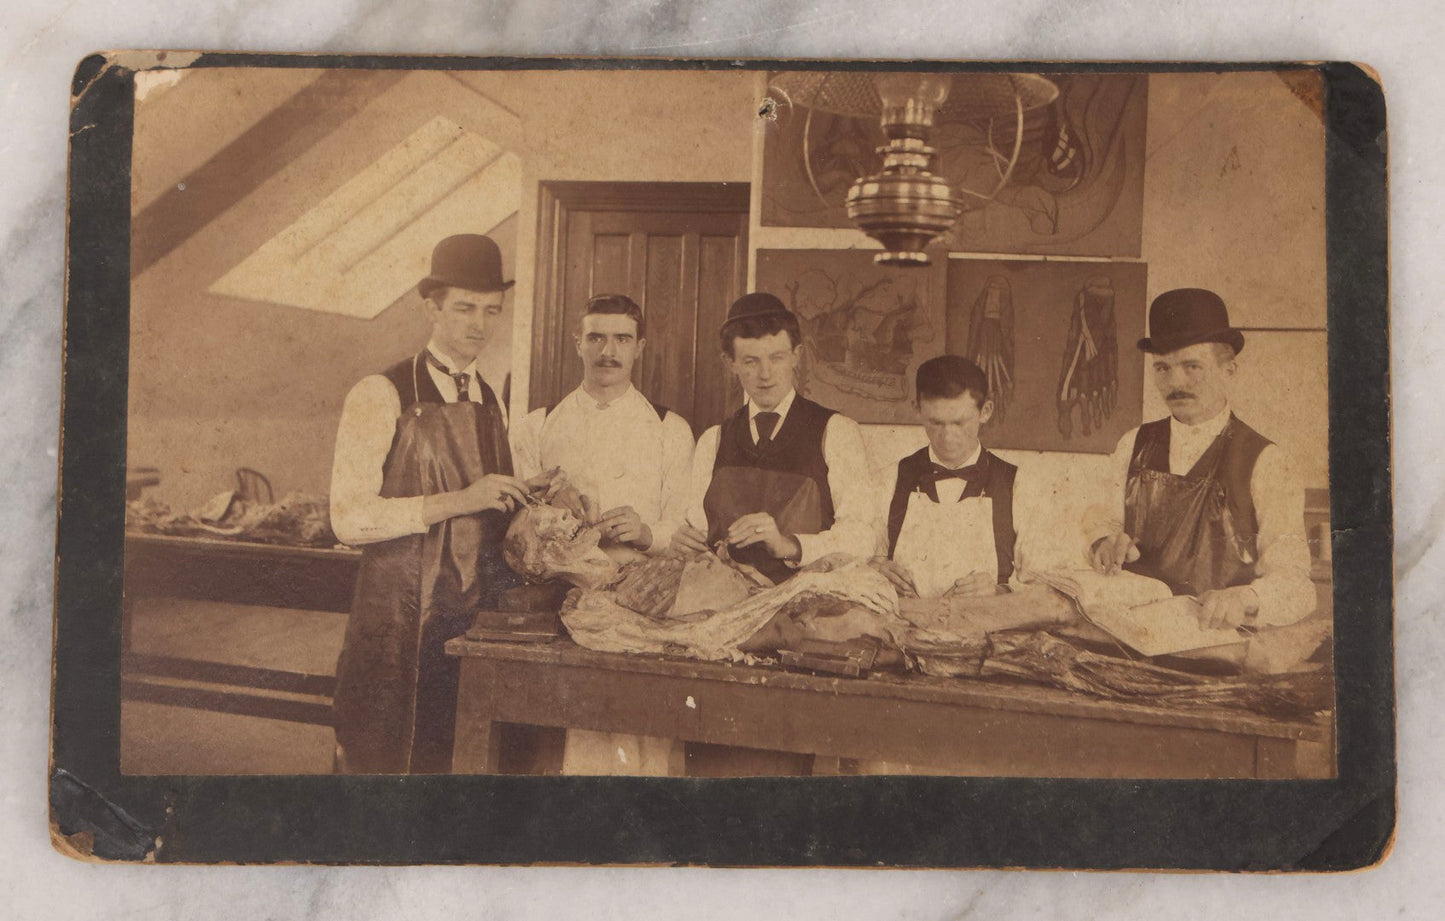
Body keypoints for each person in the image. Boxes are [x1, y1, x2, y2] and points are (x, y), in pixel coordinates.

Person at [328, 234, 556, 774]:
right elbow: (348, 518)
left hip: (474, 617)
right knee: (386, 763)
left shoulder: (490, 399)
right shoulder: (379, 393)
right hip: (399, 618)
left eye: (491, 310)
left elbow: (493, 508)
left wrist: (533, 497)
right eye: (464, 308)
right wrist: (462, 499)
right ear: (431, 307)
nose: (479, 324)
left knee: (460, 762)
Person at [510, 293, 695, 775]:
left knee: (646, 729)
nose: (608, 351)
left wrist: (647, 531)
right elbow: (518, 527)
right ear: (578, 343)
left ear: (640, 347)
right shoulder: (539, 425)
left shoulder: (669, 428)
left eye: (621, 339)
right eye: (596, 337)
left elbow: (686, 527)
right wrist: (551, 512)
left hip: (645, 595)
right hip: (564, 601)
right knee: (579, 726)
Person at [1085, 288, 1315, 629]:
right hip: (1134, 630)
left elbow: (1297, 585)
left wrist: (1246, 599)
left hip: (1216, 640)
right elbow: (1103, 522)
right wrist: (1104, 542)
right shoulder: (1133, 443)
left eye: (1192, 366)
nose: (1175, 382)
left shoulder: (1266, 460)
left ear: (1230, 371)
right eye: (1162, 368)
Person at [672, 292, 877, 582]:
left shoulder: (837, 432)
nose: (765, 374)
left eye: (776, 358)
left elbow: (862, 537)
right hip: (727, 598)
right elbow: (699, 529)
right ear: (730, 363)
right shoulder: (713, 440)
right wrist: (685, 541)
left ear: (797, 356)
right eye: (750, 361)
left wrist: (789, 545)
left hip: (808, 599)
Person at [874, 355, 1033, 600]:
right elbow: (858, 560)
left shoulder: (1018, 485)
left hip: (988, 631)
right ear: (917, 409)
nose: (947, 437)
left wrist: (1000, 591)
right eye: (936, 423)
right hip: (904, 630)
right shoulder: (889, 480)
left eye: (960, 423)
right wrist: (877, 570)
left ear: (986, 411)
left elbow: (1042, 584)